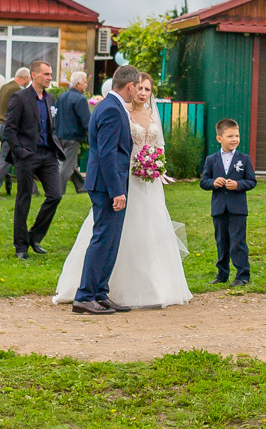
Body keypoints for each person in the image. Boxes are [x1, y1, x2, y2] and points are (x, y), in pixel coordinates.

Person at [55, 67, 192, 311]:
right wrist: (117, 190)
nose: (139, 92)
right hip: (108, 185)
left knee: (111, 240)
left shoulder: (110, 106)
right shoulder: (111, 109)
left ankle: (100, 292)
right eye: (136, 87)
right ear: (129, 86)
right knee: (103, 239)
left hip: (115, 182)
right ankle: (85, 296)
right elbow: (107, 154)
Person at [3, 61, 67, 258]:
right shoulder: (20, 98)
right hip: (27, 155)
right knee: (24, 199)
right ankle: (21, 246)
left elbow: (50, 125)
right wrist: (20, 152)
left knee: (55, 195)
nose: (50, 77)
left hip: (47, 154)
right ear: (33, 75)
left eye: (50, 74)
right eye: (46, 74)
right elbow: (9, 129)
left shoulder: (49, 98)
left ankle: (34, 236)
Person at [199, 117, 256, 284]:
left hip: (237, 208)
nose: (235, 140)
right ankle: (222, 274)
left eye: (237, 136)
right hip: (219, 208)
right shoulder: (211, 159)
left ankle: (242, 276)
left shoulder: (244, 159)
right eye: (230, 136)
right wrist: (213, 183)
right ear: (219, 138)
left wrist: (238, 184)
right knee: (221, 241)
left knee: (238, 242)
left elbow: (252, 181)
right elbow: (204, 182)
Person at [0, 67, 34, 199]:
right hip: (9, 127)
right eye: (29, 78)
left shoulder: (5, 87)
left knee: (20, 158)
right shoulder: (17, 90)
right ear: (25, 78)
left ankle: (32, 189)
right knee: (5, 161)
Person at [54, 71, 92, 192]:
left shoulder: (61, 97)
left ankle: (81, 186)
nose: (86, 85)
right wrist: (92, 133)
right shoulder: (80, 99)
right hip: (73, 136)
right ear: (78, 84)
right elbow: (86, 120)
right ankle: (59, 190)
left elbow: (55, 114)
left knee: (70, 162)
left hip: (60, 135)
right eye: (85, 82)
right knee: (67, 165)